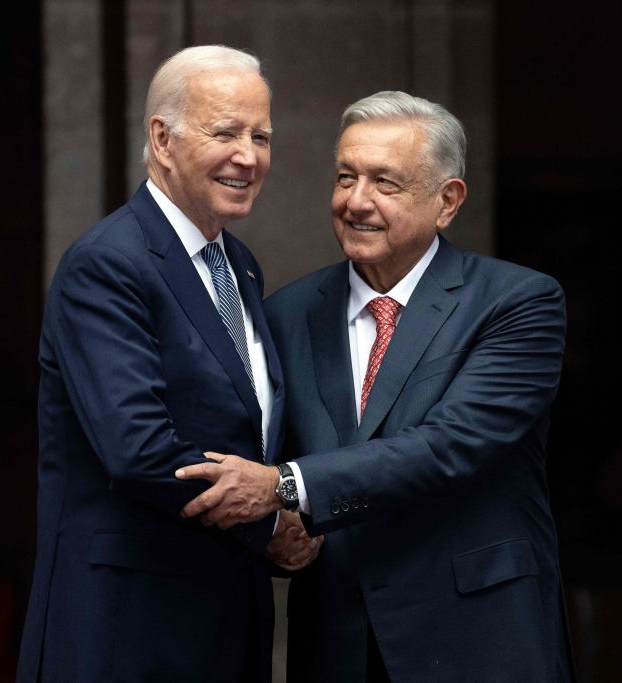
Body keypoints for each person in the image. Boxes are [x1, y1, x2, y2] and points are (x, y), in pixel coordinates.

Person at [176, 91, 575, 681]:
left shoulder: (516, 303)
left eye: (385, 183)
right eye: (346, 177)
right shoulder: (284, 315)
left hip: (474, 638)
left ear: (447, 201)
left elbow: (449, 444)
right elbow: (260, 461)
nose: (356, 201)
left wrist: (284, 486)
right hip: (335, 643)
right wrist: (273, 534)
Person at [16, 45, 317, 683]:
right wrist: (270, 519)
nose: (249, 156)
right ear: (162, 139)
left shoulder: (239, 264)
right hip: (130, 626)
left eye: (261, 137)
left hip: (225, 622)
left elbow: (244, 428)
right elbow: (140, 449)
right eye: (226, 133)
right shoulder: (108, 263)